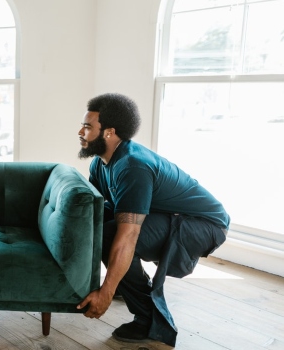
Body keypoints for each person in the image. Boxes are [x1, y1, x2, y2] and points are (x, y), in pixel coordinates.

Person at [75, 93, 229, 346]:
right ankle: (130, 287)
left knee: (112, 236)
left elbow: (128, 236)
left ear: (109, 133)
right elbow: (97, 211)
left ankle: (149, 321)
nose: (80, 131)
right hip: (174, 216)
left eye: (88, 126)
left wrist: (107, 290)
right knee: (103, 228)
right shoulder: (100, 163)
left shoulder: (132, 166)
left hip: (204, 225)